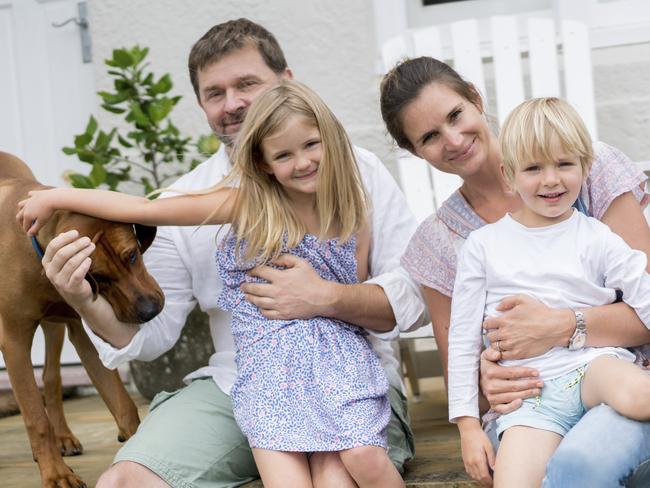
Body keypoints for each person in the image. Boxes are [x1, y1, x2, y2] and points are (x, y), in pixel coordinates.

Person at [33, 20, 425, 488]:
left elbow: (412, 295)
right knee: (124, 483)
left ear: (287, 83)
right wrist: (83, 298)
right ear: (201, 105)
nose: (233, 103)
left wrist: (327, 298)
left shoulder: (353, 171)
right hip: (241, 382)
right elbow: (151, 335)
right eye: (214, 93)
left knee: (341, 476)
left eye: (247, 84)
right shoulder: (196, 198)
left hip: (343, 377)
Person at [379, 56, 650, 487]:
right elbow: (463, 355)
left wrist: (561, 327)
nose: (452, 139)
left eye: (455, 115)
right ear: (415, 152)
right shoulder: (449, 243)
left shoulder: (587, 170)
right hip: (529, 402)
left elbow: (645, 299)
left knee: (578, 468)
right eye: (430, 136)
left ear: (475, 98)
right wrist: (481, 393)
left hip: (611, 373)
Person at [447, 97, 650, 487]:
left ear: (585, 167)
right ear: (509, 175)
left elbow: (643, 292)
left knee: (639, 395)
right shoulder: (483, 245)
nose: (551, 180)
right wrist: (469, 427)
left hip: (594, 367)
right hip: (530, 396)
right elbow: (462, 340)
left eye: (564, 164)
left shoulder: (597, 237)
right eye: (534, 168)